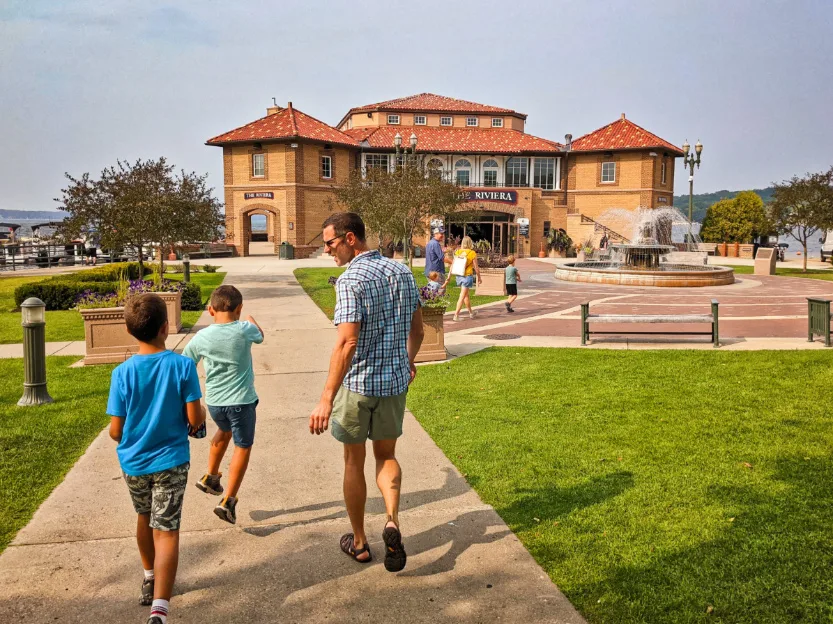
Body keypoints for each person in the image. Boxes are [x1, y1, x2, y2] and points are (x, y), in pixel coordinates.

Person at [310, 212, 424, 572]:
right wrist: (407, 362)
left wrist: (326, 398)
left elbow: (347, 342)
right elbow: (418, 330)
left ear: (349, 238)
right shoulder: (403, 271)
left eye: (330, 243)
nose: (328, 251)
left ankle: (359, 541)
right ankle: (391, 519)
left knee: (353, 461)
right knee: (386, 456)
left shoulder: (350, 280)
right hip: (393, 385)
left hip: (357, 386)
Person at [106, 294, 205, 624]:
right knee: (167, 530)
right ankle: (160, 608)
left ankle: (149, 576)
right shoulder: (182, 366)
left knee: (144, 515)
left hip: (134, 464)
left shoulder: (121, 373)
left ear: (129, 330)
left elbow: (115, 430)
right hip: (171, 462)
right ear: (166, 328)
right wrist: (199, 412)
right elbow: (194, 419)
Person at [184, 285, 264, 524]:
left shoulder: (201, 337)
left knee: (225, 430)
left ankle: (211, 476)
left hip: (215, 403)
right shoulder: (244, 329)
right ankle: (228, 500)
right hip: (241, 402)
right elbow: (259, 335)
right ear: (238, 308)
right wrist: (250, 319)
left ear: (210, 310)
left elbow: (185, 363)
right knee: (243, 446)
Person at [445, 235, 481, 321]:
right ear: (470, 243)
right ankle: (456, 315)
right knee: (462, 295)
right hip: (467, 276)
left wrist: (449, 276)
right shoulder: (472, 253)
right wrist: (479, 277)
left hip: (459, 276)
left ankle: (471, 313)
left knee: (466, 295)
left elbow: (453, 265)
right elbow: (476, 268)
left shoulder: (458, 252)